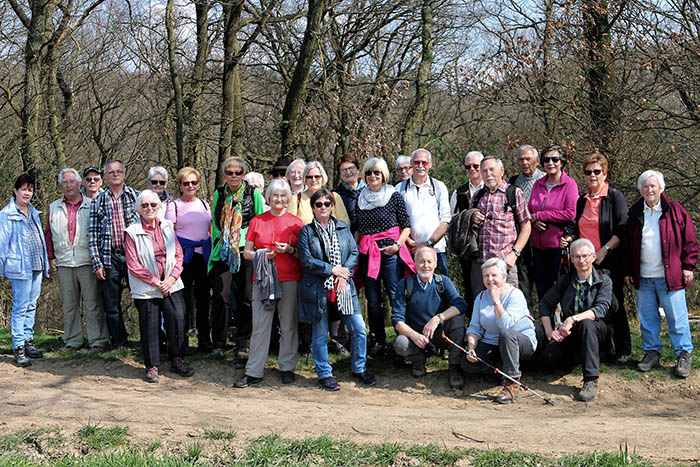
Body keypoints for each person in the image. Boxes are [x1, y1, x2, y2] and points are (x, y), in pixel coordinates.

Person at [297, 189, 376, 390]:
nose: (323, 207)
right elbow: (306, 260)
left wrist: (344, 274)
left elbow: (353, 252)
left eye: (327, 204)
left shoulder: (342, 227)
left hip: (344, 285)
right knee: (321, 333)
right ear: (313, 208)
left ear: (332, 206)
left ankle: (359, 368)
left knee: (359, 328)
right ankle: (324, 373)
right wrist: (332, 270)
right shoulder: (307, 232)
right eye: (318, 204)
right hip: (317, 287)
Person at [624, 170, 697, 378]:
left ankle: (683, 354)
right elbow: (629, 246)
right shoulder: (635, 213)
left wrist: (688, 267)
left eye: (653, 186)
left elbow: (690, 242)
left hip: (671, 277)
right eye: (645, 187)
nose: (649, 190)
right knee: (647, 319)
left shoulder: (675, 211)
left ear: (661, 188)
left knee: (677, 318)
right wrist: (629, 271)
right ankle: (651, 352)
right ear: (640, 190)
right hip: (644, 277)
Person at [560, 153, 630, 363]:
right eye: (588, 172)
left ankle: (624, 350)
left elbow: (622, 229)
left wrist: (605, 249)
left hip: (608, 260)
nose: (593, 175)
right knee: (589, 305)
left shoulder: (614, 197)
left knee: (614, 304)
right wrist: (569, 238)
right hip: (585, 263)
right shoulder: (582, 200)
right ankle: (599, 349)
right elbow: (576, 226)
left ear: (605, 173)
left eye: (597, 171)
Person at [234, 179, 303, 388]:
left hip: (289, 278)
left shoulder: (296, 223)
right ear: (269, 198)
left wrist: (289, 251)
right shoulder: (257, 221)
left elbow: (303, 255)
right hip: (263, 280)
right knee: (260, 326)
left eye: (283, 196)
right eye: (275, 196)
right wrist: (263, 254)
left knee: (288, 323)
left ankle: (287, 367)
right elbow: (246, 253)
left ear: (288, 198)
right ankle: (254, 370)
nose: (279, 199)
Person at [125, 190, 194, 382]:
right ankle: (152, 366)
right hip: (147, 287)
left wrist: (171, 279)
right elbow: (134, 265)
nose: (149, 208)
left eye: (153, 205)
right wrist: (157, 282)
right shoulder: (132, 232)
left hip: (171, 282)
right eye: (145, 205)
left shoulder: (168, 227)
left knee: (178, 318)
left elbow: (179, 255)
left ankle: (177, 359)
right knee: (150, 325)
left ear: (159, 207)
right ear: (138, 209)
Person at [539, 239, 613, 402]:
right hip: (571, 333)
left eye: (585, 256)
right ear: (571, 259)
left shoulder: (604, 280)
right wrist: (549, 331)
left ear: (594, 257)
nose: (581, 261)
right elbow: (545, 304)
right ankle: (579, 358)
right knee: (549, 357)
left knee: (587, 324)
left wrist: (572, 319)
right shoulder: (565, 280)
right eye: (577, 257)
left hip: (598, 331)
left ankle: (590, 380)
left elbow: (600, 309)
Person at [45, 168, 109, 352]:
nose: (68, 185)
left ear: (79, 183)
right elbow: (48, 235)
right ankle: (73, 341)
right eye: (64, 182)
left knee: (93, 304)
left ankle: (98, 341)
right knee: (69, 305)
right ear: (60, 185)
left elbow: (99, 234)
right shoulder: (53, 207)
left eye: (72, 181)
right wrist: (51, 259)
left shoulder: (92, 204)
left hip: (87, 261)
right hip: (64, 262)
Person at [208, 157, 265, 358]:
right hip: (224, 251)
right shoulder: (218, 194)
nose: (234, 176)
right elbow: (215, 222)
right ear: (224, 174)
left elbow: (259, 221)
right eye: (229, 172)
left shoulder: (253, 193)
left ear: (243, 175)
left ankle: (244, 341)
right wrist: (220, 243)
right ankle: (219, 343)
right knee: (220, 297)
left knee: (246, 297)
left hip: (245, 251)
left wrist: (250, 245)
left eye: (238, 173)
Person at [356, 158, 414, 352]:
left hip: (390, 252)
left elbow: (405, 225)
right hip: (368, 253)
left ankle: (402, 338)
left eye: (376, 173)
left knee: (394, 294)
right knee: (372, 300)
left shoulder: (393, 195)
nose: (373, 176)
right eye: (369, 173)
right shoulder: (360, 198)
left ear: (383, 175)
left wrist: (397, 246)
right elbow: (357, 228)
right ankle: (378, 339)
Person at [461, 258, 537, 404]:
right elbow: (474, 327)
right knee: (467, 364)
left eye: (494, 275)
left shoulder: (515, 295)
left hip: (520, 341)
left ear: (504, 277)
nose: (490, 279)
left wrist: (496, 301)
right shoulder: (481, 297)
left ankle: (512, 383)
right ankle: (504, 368)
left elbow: (506, 325)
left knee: (506, 334)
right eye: (486, 276)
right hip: (493, 343)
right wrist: (471, 347)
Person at [392, 246, 467, 389]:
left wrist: (438, 318)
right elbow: (396, 320)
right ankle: (419, 363)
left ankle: (454, 366)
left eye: (429, 261)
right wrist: (414, 336)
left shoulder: (443, 282)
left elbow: (461, 305)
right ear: (414, 262)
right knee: (401, 343)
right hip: (416, 337)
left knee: (457, 321)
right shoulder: (405, 284)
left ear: (435, 263)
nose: (425, 266)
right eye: (421, 261)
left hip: (439, 335)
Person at [89, 160, 140, 348]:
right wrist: (97, 263)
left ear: (124, 174)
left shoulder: (137, 196)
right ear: (106, 177)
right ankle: (119, 343)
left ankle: (150, 342)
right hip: (109, 257)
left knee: (143, 300)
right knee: (111, 304)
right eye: (111, 172)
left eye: (119, 171)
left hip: (134, 257)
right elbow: (92, 234)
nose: (115, 174)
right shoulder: (98, 201)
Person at [0, 173, 50, 367]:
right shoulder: (7, 214)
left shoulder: (34, 212)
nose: (27, 193)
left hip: (37, 264)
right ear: (15, 190)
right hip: (19, 266)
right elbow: (2, 244)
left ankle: (29, 340)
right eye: (24, 189)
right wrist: (3, 269)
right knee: (20, 306)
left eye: (30, 189)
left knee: (31, 304)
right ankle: (18, 346)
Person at [164, 167, 212, 352]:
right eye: (186, 183)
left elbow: (209, 229)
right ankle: (180, 340)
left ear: (198, 184)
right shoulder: (173, 206)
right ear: (180, 185)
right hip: (184, 258)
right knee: (182, 301)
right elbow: (169, 233)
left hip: (203, 257)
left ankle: (204, 339)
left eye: (194, 182)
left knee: (203, 300)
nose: (190, 186)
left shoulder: (205, 205)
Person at [470, 156, 531, 294]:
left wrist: (514, 254)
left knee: (508, 307)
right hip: (481, 264)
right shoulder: (478, 196)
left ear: (501, 170)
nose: (488, 174)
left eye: (492, 169)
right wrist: (471, 217)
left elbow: (526, 226)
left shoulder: (513, 193)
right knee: (483, 308)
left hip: (504, 263)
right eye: (484, 171)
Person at [527, 145, 578, 299]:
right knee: (542, 289)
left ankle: (562, 322)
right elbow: (530, 210)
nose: (550, 163)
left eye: (555, 159)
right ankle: (546, 322)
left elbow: (570, 213)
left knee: (560, 289)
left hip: (557, 246)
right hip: (537, 246)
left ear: (561, 162)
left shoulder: (569, 184)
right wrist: (534, 221)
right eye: (546, 160)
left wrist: (541, 216)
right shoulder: (538, 184)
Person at [398, 148, 451, 274]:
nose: (420, 166)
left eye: (424, 163)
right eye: (416, 162)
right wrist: (411, 243)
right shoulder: (399, 189)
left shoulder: (439, 186)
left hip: (437, 250)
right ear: (411, 163)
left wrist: (428, 243)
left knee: (440, 290)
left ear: (430, 164)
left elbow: (446, 220)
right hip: (411, 251)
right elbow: (396, 221)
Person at [508, 145, 545, 311]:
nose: (525, 162)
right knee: (523, 286)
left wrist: (536, 218)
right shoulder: (512, 182)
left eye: (528, 159)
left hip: (544, 241)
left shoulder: (546, 180)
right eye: (521, 159)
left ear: (537, 161)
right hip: (521, 242)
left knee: (546, 286)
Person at [449, 150, 484, 317]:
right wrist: (468, 218)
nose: (472, 169)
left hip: (491, 245)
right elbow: (452, 219)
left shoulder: (494, 188)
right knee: (470, 289)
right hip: (467, 249)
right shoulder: (459, 192)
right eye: (468, 166)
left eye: (476, 166)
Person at [287, 161, 350, 225]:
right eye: (310, 177)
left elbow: (345, 223)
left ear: (322, 177)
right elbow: (289, 225)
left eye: (317, 176)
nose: (313, 180)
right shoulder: (296, 199)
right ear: (305, 179)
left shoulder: (334, 197)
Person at [334, 153, 366, 234]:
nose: (348, 172)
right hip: (348, 237)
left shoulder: (370, 190)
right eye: (343, 170)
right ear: (340, 174)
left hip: (369, 237)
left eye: (351, 168)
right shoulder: (336, 195)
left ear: (358, 169)